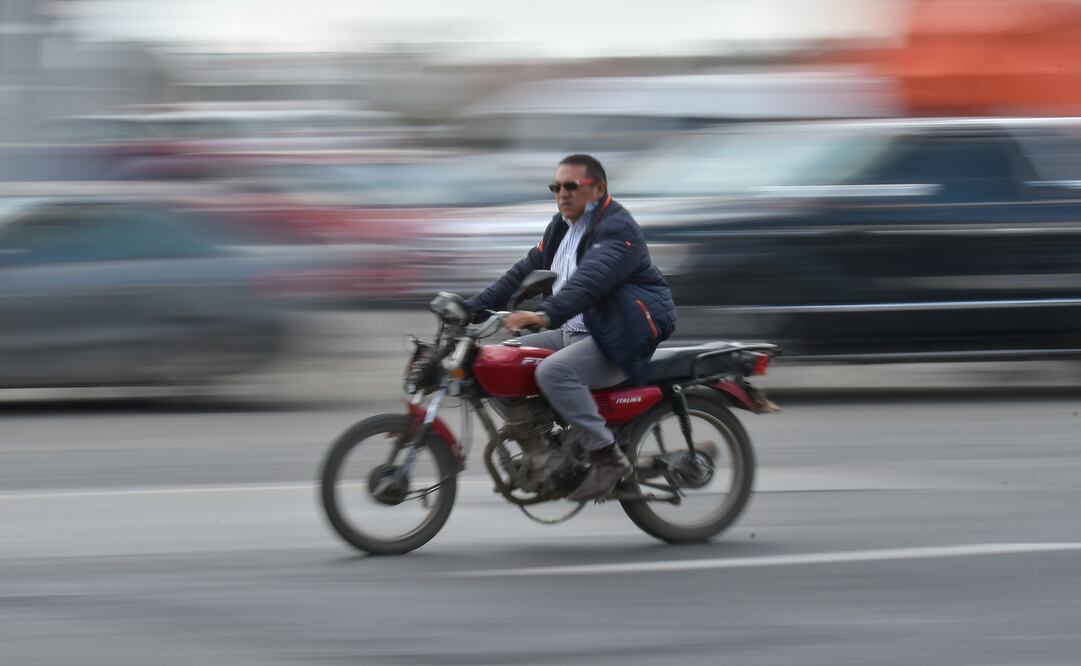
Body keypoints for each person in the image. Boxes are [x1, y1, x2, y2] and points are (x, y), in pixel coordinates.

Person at [464, 154, 676, 501]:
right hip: (576, 330)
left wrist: (545, 314)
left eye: (571, 186)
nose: (561, 193)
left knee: (554, 373)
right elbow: (521, 272)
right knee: (494, 362)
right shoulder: (561, 227)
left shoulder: (616, 229)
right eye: (556, 187)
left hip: (619, 335)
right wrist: (471, 307)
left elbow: (590, 281)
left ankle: (607, 457)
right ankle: (543, 447)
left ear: (598, 189)